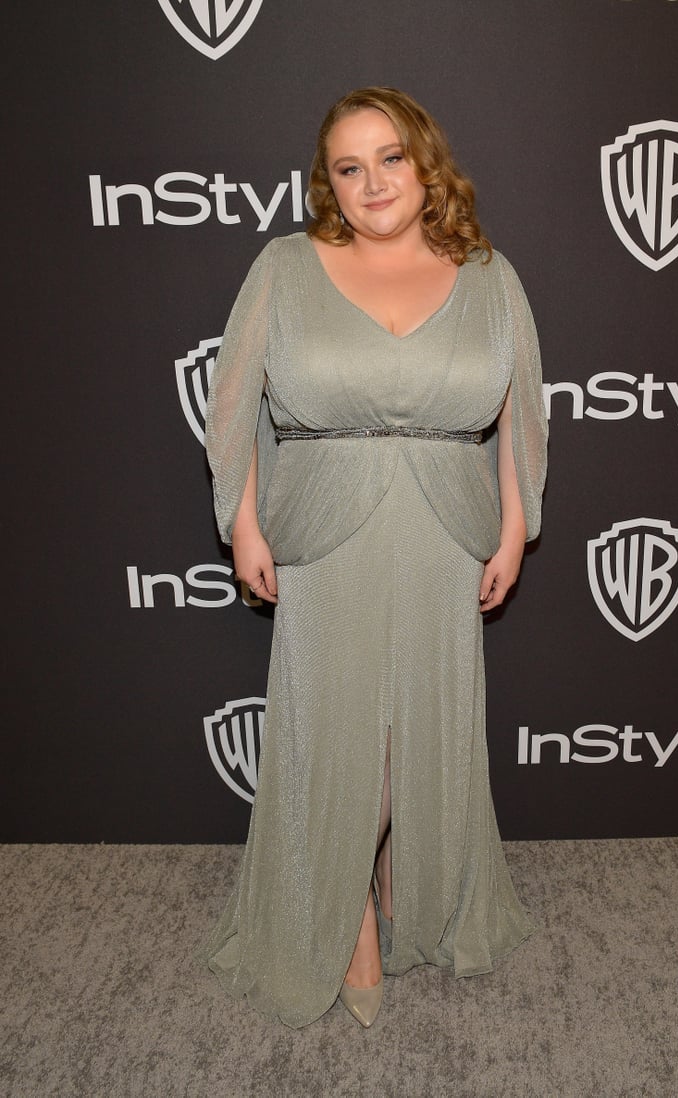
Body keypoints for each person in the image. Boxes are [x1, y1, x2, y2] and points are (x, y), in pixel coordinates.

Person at [200, 87, 548, 1029]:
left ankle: (410, 883)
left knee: (421, 725)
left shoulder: (488, 273)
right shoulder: (285, 265)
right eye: (348, 168)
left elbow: (522, 408)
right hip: (323, 526)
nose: (372, 182)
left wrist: (517, 524)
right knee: (337, 726)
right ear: (329, 184)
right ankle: (344, 904)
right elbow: (232, 402)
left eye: (390, 157)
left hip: (445, 528)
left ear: (425, 160)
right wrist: (243, 522)